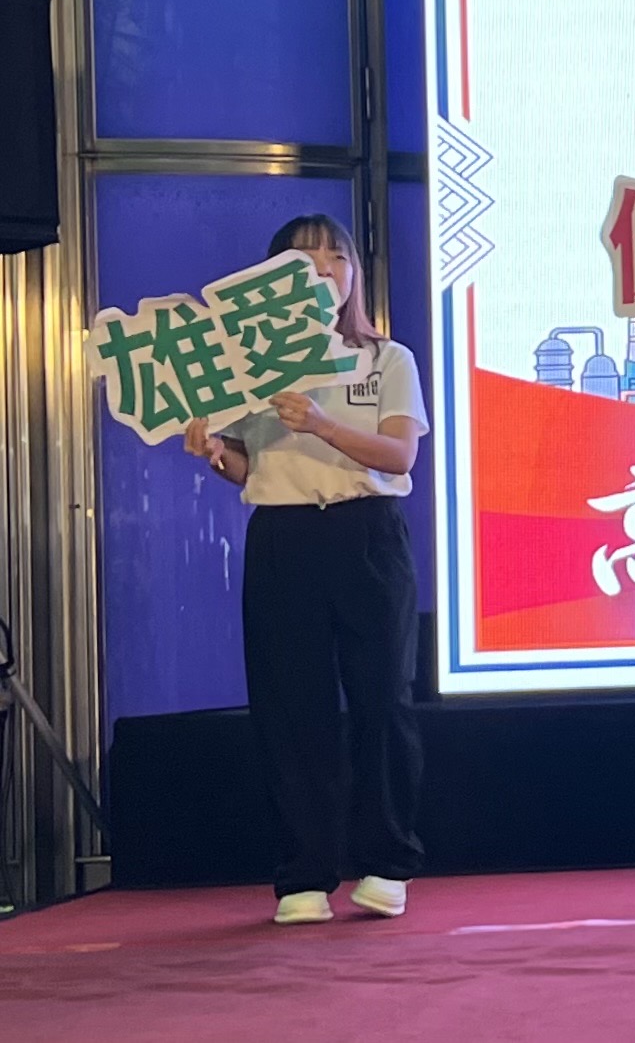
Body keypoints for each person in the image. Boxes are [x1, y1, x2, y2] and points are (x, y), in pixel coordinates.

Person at [183, 214, 429, 925]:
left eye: (336, 258)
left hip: (367, 531)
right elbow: (247, 466)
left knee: (383, 699)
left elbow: (399, 455)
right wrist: (214, 455)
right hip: (284, 535)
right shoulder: (248, 369)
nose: (323, 271)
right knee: (292, 709)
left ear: (355, 273)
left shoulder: (385, 359)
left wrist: (321, 422)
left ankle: (386, 863)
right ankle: (304, 873)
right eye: (304, 260)